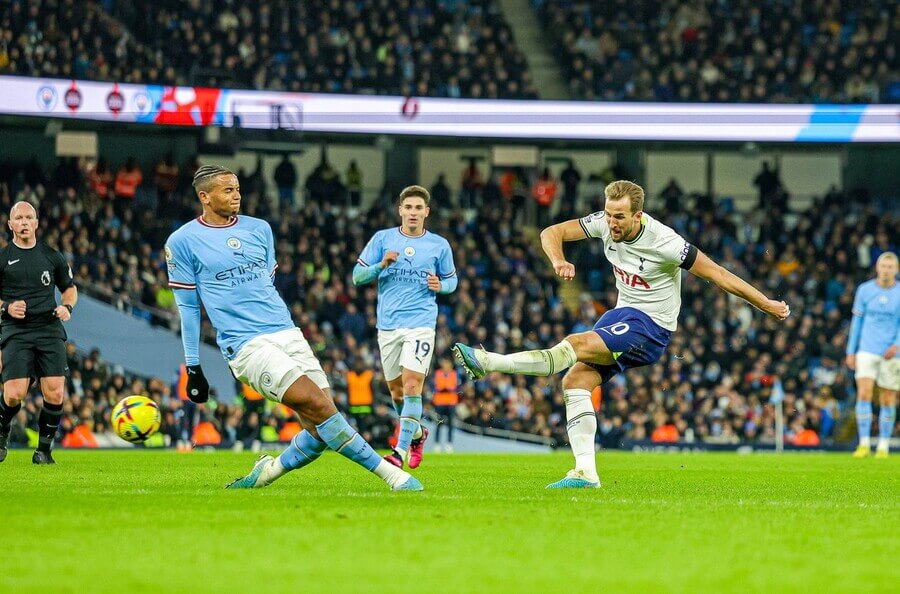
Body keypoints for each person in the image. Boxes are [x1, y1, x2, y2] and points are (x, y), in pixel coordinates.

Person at [453, 180, 790, 488]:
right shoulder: (603, 221)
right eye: (609, 215)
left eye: (619, 217)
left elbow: (717, 274)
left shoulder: (666, 242)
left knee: (574, 343)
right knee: (575, 382)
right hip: (622, 316)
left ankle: (487, 361)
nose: (611, 223)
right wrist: (558, 260)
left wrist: (766, 304)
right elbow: (550, 232)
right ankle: (586, 472)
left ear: (637, 215)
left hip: (651, 326)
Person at [165, 165, 421, 491]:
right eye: (227, 190)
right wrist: (193, 365)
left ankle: (265, 474)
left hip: (286, 331)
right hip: (246, 344)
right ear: (205, 196)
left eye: (237, 189)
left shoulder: (259, 229)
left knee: (319, 429)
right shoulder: (183, 241)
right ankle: (392, 475)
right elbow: (187, 307)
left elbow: (264, 283)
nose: (237, 195)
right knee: (319, 407)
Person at [352, 185, 458, 469]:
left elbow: (452, 280)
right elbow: (357, 276)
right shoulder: (382, 239)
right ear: (400, 210)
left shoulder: (439, 245)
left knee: (412, 385)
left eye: (418, 208)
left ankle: (399, 451)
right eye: (408, 207)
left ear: (427, 212)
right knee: (398, 393)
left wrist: (442, 285)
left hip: (421, 324)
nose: (413, 212)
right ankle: (418, 433)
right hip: (388, 327)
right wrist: (380, 265)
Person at [0, 202, 78, 464]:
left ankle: (43, 451)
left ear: (36, 222)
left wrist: (67, 306)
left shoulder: (52, 256)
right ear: (10, 224)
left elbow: (69, 288)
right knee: (14, 394)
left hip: (48, 327)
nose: (24, 222)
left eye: (28, 217)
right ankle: (2, 431)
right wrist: (7, 307)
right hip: (16, 330)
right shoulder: (2, 258)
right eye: (18, 217)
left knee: (55, 392)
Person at [846, 252, 899, 459]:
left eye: (890, 267)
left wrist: (897, 345)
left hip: (892, 353)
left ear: (896, 269)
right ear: (877, 267)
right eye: (883, 266)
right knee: (864, 393)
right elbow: (857, 323)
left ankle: (884, 445)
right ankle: (864, 443)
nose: (886, 270)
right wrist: (851, 350)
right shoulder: (865, 290)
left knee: (888, 398)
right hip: (867, 349)